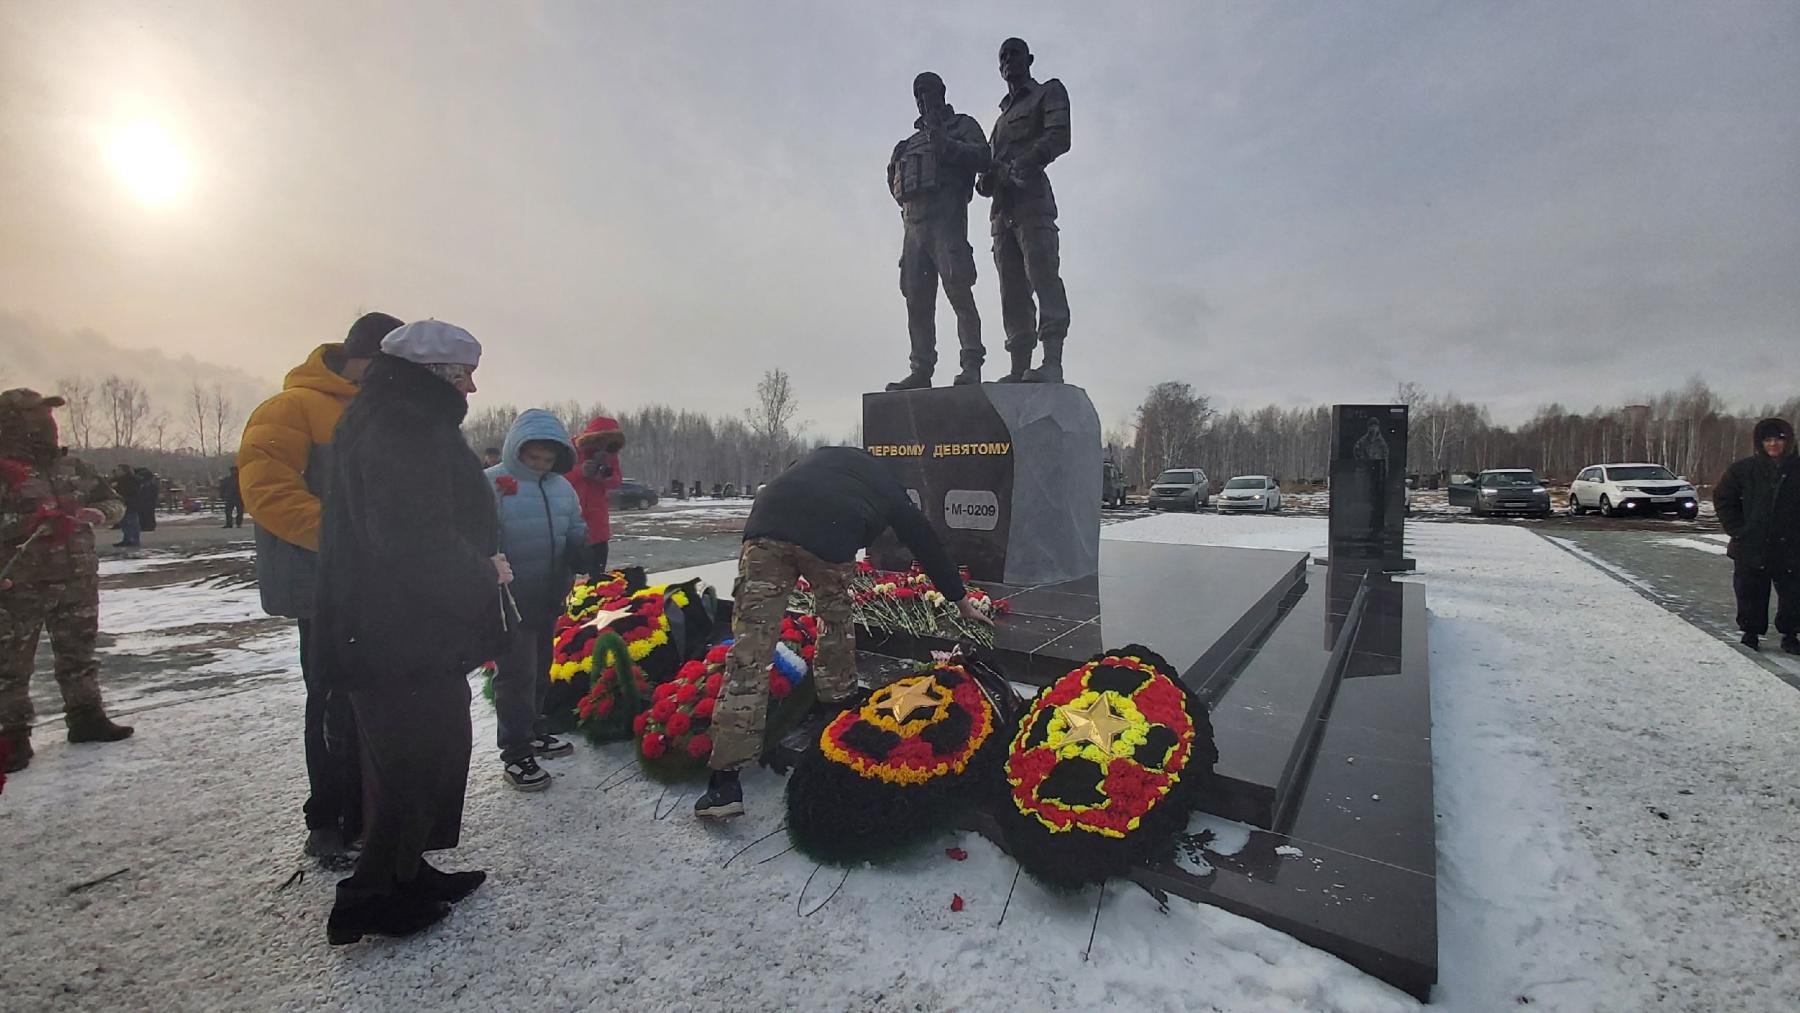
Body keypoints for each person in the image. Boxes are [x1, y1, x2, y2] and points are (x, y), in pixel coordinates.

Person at [313, 319, 505, 944]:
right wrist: (482, 572)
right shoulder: (402, 426)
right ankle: (372, 898)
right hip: (397, 632)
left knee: (425, 758)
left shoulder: (390, 417)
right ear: (435, 373)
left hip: (399, 629)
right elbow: (410, 539)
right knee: (411, 764)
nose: (472, 386)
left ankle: (405, 871)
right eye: (464, 372)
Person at [695, 446, 992, 820]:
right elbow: (925, 542)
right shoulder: (888, 487)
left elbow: (790, 484)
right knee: (835, 627)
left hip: (766, 529)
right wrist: (959, 598)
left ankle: (724, 782)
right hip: (830, 540)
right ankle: (836, 720)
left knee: (750, 650)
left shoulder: (820, 457)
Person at [237, 311, 399, 862]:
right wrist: (348, 541)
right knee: (331, 697)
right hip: (322, 581)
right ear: (365, 357)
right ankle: (327, 817)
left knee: (374, 696)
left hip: (374, 581)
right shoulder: (290, 408)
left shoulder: (376, 409)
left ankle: (368, 808)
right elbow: (269, 493)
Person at [1, 388, 135, 774]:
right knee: (10, 662)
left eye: (48, 415)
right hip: (19, 584)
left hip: (76, 578)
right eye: (35, 416)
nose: (46, 424)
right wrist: (23, 524)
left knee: (78, 653)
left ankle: (85, 717)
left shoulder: (72, 467)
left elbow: (114, 502)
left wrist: (100, 513)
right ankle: (11, 735)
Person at [487, 410, 589, 791]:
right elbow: (480, 535)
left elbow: (574, 526)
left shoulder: (561, 487)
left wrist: (581, 549)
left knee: (542, 664)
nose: (541, 465)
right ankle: (515, 752)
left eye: (548, 460)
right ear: (518, 450)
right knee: (516, 674)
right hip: (507, 598)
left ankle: (533, 729)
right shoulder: (493, 484)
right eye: (534, 458)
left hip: (548, 593)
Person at [884, 71, 991, 391]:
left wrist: (945, 144)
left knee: (958, 290)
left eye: (927, 91)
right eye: (917, 93)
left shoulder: (962, 126)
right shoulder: (906, 143)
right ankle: (921, 368)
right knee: (916, 299)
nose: (922, 98)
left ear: (942, 92)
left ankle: (971, 362)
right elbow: (895, 186)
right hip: (913, 228)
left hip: (947, 222)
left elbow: (983, 158)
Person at [976, 37, 1071, 384]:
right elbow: (984, 169)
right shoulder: (999, 122)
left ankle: (1052, 361)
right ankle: (1019, 365)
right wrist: (986, 180)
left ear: (1029, 59)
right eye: (1001, 57)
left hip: (1032, 202)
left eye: (1013, 54)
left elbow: (1060, 136)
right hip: (1002, 213)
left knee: (1043, 275)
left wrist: (1023, 162)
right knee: (1011, 291)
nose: (1007, 61)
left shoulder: (1048, 92)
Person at [1714, 417, 1800, 654]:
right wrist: (1738, 530)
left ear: (1788, 441)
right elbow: (1723, 499)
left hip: (1792, 547)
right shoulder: (1743, 470)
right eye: (1768, 440)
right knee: (1750, 592)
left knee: (1794, 595)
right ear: (1760, 443)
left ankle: (1791, 634)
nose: (1773, 444)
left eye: (1779, 439)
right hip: (1751, 546)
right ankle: (1750, 633)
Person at [567, 416, 624, 575]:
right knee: (566, 574)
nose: (602, 445)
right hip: (571, 517)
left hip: (597, 522)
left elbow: (616, 480)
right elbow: (556, 478)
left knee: (598, 575)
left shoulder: (609, 455)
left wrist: (605, 476)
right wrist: (580, 471)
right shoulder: (570, 450)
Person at [111, 463, 142, 547]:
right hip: (123, 503)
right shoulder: (119, 480)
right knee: (125, 522)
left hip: (131, 503)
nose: (117, 472)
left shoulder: (131, 480)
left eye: (118, 470)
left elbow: (132, 492)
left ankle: (133, 540)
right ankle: (127, 539)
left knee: (131, 522)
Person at [132, 468, 159, 537]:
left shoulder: (147, 485)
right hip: (146, 501)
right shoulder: (148, 485)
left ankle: (147, 525)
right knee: (146, 513)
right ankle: (147, 525)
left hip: (147, 501)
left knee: (147, 512)